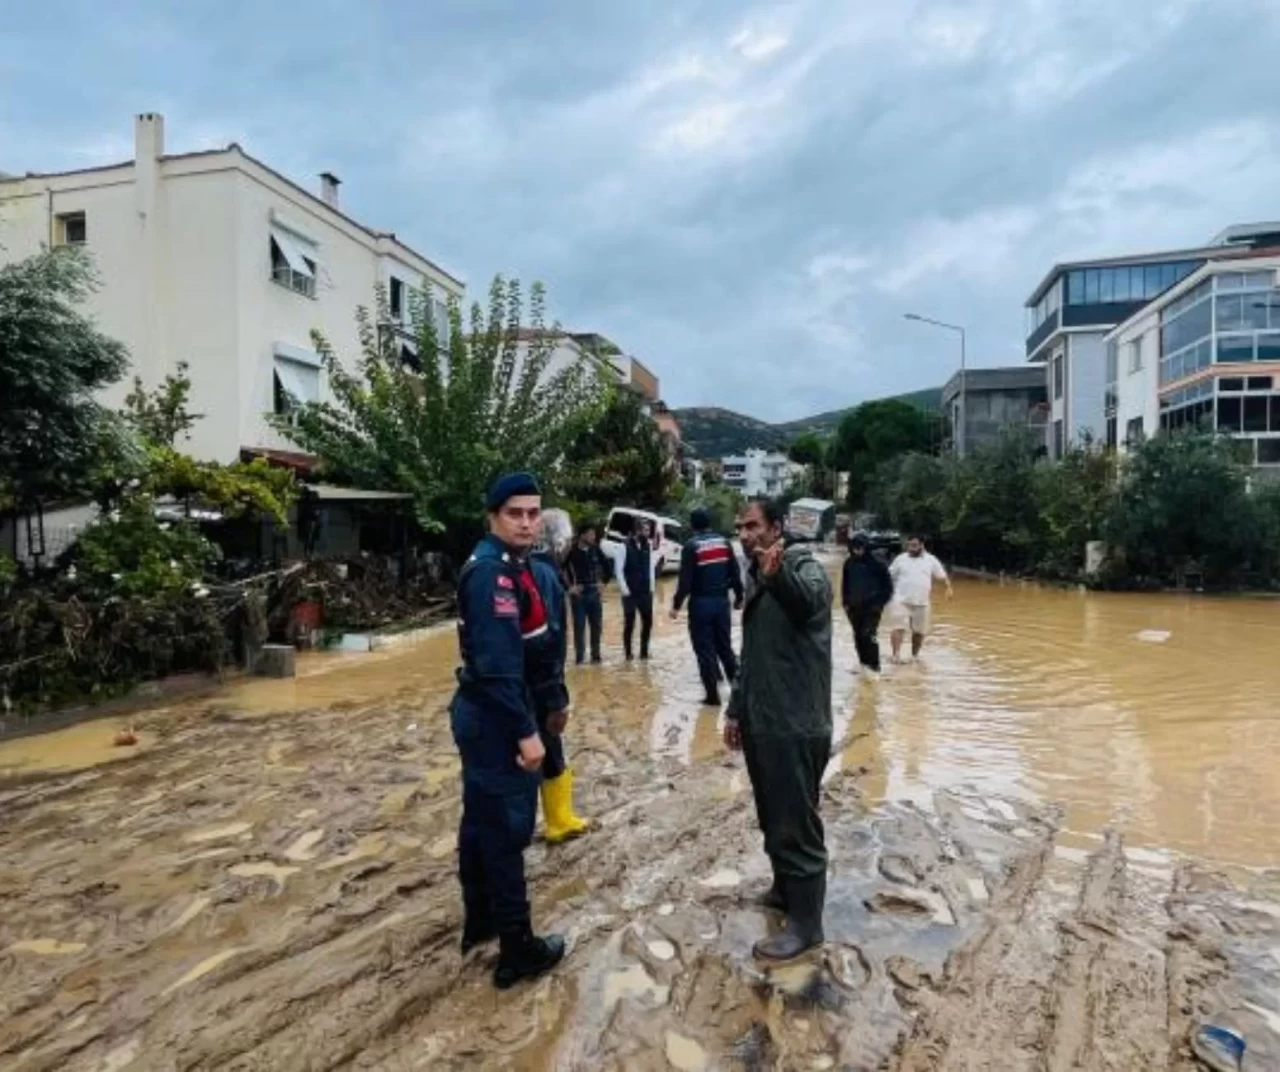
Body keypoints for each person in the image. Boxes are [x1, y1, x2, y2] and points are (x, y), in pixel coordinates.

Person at [449, 472, 567, 989]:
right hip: (498, 716)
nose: (526, 522)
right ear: (493, 516)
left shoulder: (512, 566)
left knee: (480, 821)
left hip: (488, 712)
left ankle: (481, 922)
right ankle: (517, 948)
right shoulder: (492, 574)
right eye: (515, 513)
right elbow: (498, 667)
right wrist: (527, 732)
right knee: (504, 830)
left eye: (533, 512)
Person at [725, 498, 833, 961]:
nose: (745, 534)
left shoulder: (803, 567)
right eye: (740, 527)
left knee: (796, 820)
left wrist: (777, 575)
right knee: (773, 813)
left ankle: (807, 925)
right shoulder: (755, 574)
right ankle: (786, 890)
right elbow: (750, 654)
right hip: (762, 719)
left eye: (753, 526)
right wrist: (735, 710)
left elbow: (808, 603)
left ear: (776, 527)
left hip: (796, 722)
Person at [530, 544, 591, 845]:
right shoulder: (545, 575)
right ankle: (559, 821)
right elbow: (549, 640)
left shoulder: (526, 567)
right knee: (550, 750)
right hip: (540, 685)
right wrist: (557, 696)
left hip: (523, 683)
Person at [669, 507, 744, 705]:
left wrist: (676, 606)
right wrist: (739, 596)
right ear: (709, 522)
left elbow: (685, 582)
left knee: (704, 650)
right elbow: (735, 573)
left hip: (700, 603)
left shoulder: (691, 546)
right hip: (721, 602)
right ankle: (739, 694)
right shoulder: (724, 543)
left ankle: (712, 697)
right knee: (725, 648)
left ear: (692, 525)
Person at [887, 534, 953, 663]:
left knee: (919, 632)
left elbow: (942, 576)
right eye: (909, 545)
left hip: (922, 602)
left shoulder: (931, 560)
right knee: (898, 627)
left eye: (914, 545)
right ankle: (895, 656)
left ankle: (914, 657)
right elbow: (888, 575)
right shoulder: (900, 559)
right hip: (901, 600)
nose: (911, 548)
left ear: (922, 545)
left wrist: (949, 588)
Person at [842, 533, 893, 673]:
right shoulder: (849, 563)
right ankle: (863, 665)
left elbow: (888, 588)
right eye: (854, 548)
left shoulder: (878, 563)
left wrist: (879, 604)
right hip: (853, 607)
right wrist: (845, 603)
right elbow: (845, 585)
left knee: (868, 635)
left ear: (866, 547)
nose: (857, 551)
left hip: (872, 608)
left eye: (860, 548)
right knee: (858, 636)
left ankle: (875, 667)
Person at [564, 521, 611, 664]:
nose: (593, 537)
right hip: (579, 594)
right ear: (582, 535)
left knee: (596, 626)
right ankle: (579, 659)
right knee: (579, 627)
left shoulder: (596, 549)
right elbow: (560, 570)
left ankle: (596, 657)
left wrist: (603, 583)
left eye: (594, 534)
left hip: (594, 592)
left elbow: (608, 568)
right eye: (590, 534)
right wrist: (569, 587)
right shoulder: (571, 551)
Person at [617, 519, 657, 661]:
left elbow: (651, 568)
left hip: (645, 592)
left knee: (648, 622)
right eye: (645, 530)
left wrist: (652, 587)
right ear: (636, 531)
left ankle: (644, 652)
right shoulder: (623, 546)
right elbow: (619, 570)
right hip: (630, 592)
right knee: (630, 623)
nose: (647, 533)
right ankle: (628, 654)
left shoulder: (648, 546)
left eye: (648, 530)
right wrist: (625, 590)